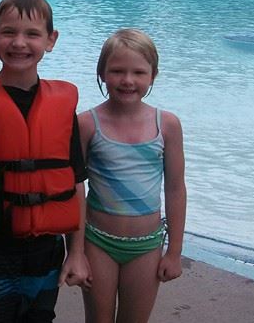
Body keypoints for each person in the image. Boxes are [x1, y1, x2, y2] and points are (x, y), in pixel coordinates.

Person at [0, 0, 89, 322]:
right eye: (9, 32)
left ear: (50, 40)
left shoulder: (62, 104)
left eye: (32, 34)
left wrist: (77, 252)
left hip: (46, 251)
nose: (19, 43)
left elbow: (75, 183)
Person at [78, 29, 186, 323]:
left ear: (153, 75)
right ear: (102, 73)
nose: (128, 80)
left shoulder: (167, 125)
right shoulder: (87, 124)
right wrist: (74, 252)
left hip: (146, 245)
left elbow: (175, 189)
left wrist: (174, 250)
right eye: (117, 71)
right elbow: (74, 189)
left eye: (139, 72)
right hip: (97, 241)